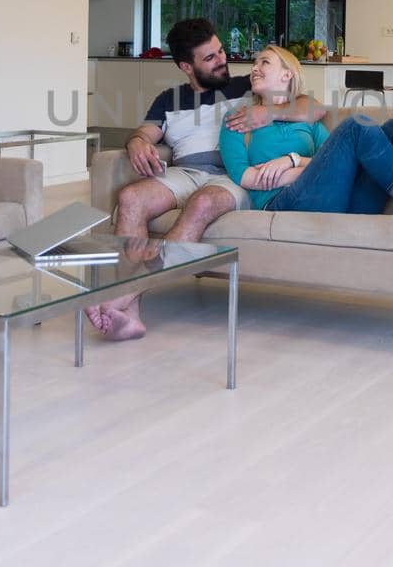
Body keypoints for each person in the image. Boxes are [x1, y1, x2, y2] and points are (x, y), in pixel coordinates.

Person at [89, 18, 324, 340]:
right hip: (184, 172)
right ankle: (129, 315)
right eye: (210, 57)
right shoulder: (168, 100)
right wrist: (137, 142)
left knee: (202, 203)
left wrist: (268, 113)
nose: (222, 60)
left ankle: (122, 294)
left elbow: (312, 107)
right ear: (187, 66)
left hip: (231, 177)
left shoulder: (246, 87)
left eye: (221, 51)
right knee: (130, 198)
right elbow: (145, 132)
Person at [219, 46, 393, 217]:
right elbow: (245, 177)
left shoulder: (306, 118)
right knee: (356, 126)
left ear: (287, 74)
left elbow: (329, 161)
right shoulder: (239, 119)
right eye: (254, 63)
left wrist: (292, 161)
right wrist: (305, 169)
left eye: (264, 62)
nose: (254, 68)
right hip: (283, 203)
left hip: (344, 202)